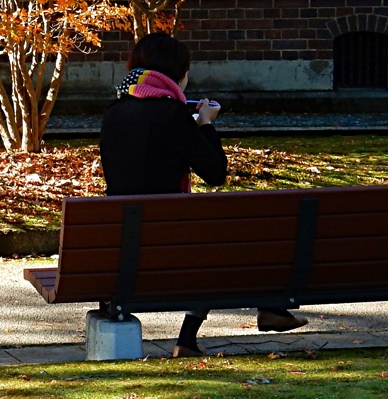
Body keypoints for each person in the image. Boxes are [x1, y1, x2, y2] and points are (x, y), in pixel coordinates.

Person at [99, 32, 307, 357]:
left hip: (123, 250)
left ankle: (243, 319)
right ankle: (267, 308)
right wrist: (206, 125)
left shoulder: (114, 113)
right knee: (221, 241)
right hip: (175, 246)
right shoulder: (173, 115)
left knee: (206, 243)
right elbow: (215, 174)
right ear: (177, 73)